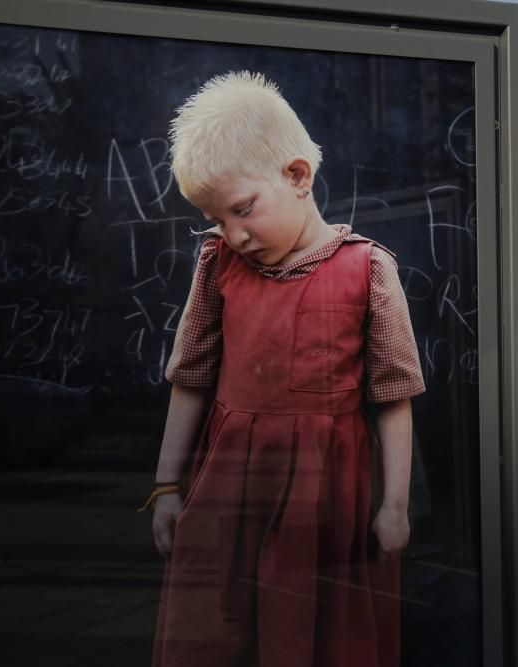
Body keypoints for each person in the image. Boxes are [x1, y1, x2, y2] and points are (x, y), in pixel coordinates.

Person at [146, 72, 424, 666]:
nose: (235, 234)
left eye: (242, 210)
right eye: (218, 219)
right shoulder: (216, 263)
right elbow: (190, 377)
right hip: (227, 488)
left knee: (314, 634)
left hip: (326, 499)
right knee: (219, 634)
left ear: (296, 176)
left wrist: (393, 506)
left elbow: (394, 396)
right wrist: (167, 487)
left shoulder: (369, 268)